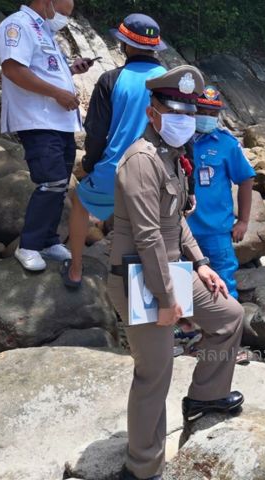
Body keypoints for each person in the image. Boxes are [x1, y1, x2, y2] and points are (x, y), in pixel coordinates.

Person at [106, 65, 244, 480]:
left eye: (189, 113)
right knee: (155, 372)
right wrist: (168, 300)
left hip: (175, 271)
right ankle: (142, 467)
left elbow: (178, 220)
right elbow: (147, 237)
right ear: (153, 113)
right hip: (140, 279)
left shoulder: (171, 157)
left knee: (229, 316)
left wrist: (201, 265)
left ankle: (206, 397)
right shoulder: (141, 161)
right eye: (176, 113)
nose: (185, 121)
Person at [61, 13, 168, 288]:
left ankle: (75, 269)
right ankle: (153, 288)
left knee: (79, 199)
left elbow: (96, 133)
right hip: (158, 172)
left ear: (125, 45)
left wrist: (90, 163)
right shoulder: (169, 81)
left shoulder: (110, 80)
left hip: (116, 171)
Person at [0, 0, 92, 271]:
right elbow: (13, 69)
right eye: (62, 12)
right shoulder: (17, 25)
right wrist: (57, 93)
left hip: (59, 122)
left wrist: (72, 70)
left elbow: (44, 70)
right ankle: (29, 245)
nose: (63, 19)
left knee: (60, 183)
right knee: (51, 181)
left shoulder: (44, 31)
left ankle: (49, 240)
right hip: (37, 120)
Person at [185, 86, 256, 299]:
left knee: (223, 283)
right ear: (192, 110)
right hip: (181, 230)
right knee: (182, 282)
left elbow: (246, 179)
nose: (207, 117)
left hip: (216, 231)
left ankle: (227, 330)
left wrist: (243, 221)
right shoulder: (178, 139)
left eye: (212, 113)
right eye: (202, 111)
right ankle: (187, 329)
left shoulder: (227, 144)